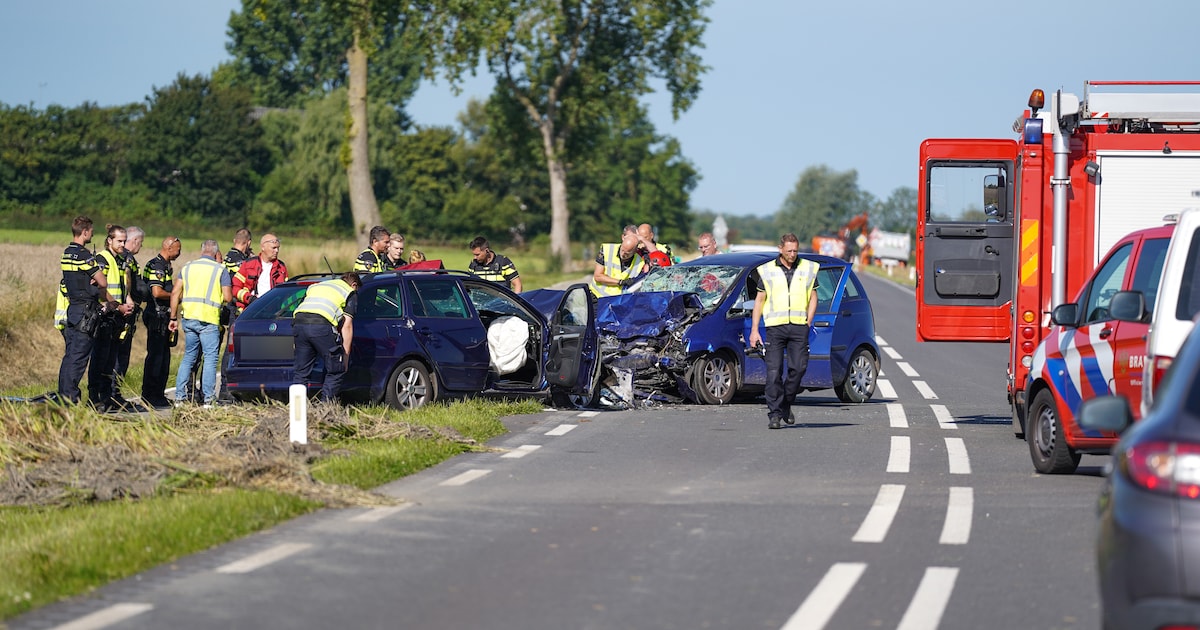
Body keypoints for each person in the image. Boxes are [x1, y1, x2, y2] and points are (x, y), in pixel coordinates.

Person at [747, 233, 820, 430]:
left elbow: (814, 297)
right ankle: (775, 414)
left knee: (799, 368)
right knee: (773, 372)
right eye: (789, 251)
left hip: (798, 326)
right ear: (780, 249)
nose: (792, 254)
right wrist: (755, 330)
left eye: (795, 250)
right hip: (775, 327)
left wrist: (808, 321)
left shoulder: (808, 268)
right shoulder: (767, 270)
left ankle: (786, 403)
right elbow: (759, 301)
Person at [57, 216, 116, 404]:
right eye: (91, 231)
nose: (92, 233)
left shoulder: (66, 253)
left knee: (70, 356)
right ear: (84, 232)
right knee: (79, 358)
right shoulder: (84, 255)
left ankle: (63, 396)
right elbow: (103, 281)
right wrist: (94, 278)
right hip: (86, 311)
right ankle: (70, 400)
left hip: (73, 309)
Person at [169, 239, 233, 408]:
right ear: (216, 253)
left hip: (189, 318)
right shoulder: (221, 270)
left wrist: (173, 317)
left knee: (189, 357)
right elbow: (228, 297)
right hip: (209, 320)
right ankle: (208, 399)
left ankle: (180, 398)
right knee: (211, 359)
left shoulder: (187, 267)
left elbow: (175, 293)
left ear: (202, 250)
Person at [292, 272, 361, 403]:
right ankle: (325, 410)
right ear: (354, 285)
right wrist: (345, 357)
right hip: (321, 326)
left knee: (301, 373)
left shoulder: (317, 286)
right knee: (336, 369)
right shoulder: (349, 292)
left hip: (299, 324)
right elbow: (347, 326)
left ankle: (297, 411)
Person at [88, 224, 136, 411]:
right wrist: (119, 306)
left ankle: (107, 398)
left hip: (118, 315)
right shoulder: (103, 259)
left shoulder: (120, 259)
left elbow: (123, 286)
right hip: (106, 315)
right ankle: (94, 397)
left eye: (124, 241)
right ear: (109, 240)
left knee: (110, 360)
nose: (123, 244)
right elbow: (100, 289)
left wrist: (128, 300)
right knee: (99, 359)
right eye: (119, 241)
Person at [140, 236, 181, 409]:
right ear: (169, 247)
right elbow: (156, 292)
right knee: (157, 357)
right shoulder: (157, 265)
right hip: (157, 316)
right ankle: (151, 395)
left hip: (162, 316)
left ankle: (158, 394)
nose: (179, 253)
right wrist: (175, 296)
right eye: (178, 249)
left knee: (163, 357)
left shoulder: (164, 265)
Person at [115, 225, 146, 383]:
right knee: (121, 354)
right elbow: (128, 281)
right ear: (134, 241)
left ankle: (114, 391)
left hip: (121, 310)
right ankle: (114, 391)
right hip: (125, 312)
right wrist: (130, 297)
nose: (141, 246)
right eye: (141, 242)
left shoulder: (121, 256)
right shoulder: (127, 258)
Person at [232, 233, 288, 310]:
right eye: (273, 248)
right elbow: (235, 288)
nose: (277, 251)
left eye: (278, 248)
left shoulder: (281, 267)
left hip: (273, 311)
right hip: (250, 310)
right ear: (263, 247)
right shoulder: (248, 264)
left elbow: (285, 292)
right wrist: (250, 298)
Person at [589, 227, 648, 297]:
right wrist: (620, 282)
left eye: (627, 253)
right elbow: (598, 276)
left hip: (618, 301)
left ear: (635, 251)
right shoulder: (607, 249)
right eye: (622, 250)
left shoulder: (640, 263)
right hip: (598, 296)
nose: (623, 254)